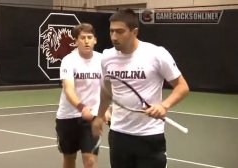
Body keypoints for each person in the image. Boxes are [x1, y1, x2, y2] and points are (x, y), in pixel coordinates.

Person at [92, 9, 189, 168]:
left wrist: (164, 105)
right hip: (119, 135)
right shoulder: (107, 57)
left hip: (149, 136)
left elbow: (182, 87)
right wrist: (99, 116)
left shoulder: (156, 54)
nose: (114, 37)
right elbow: (106, 90)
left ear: (134, 32)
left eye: (120, 32)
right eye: (111, 31)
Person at [55, 23, 102, 168]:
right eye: (82, 38)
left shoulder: (102, 60)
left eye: (90, 37)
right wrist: (82, 107)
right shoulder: (69, 61)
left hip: (91, 119)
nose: (86, 41)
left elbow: (107, 88)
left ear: (95, 40)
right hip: (67, 118)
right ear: (76, 41)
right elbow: (69, 89)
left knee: (90, 161)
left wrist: (105, 109)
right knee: (69, 159)